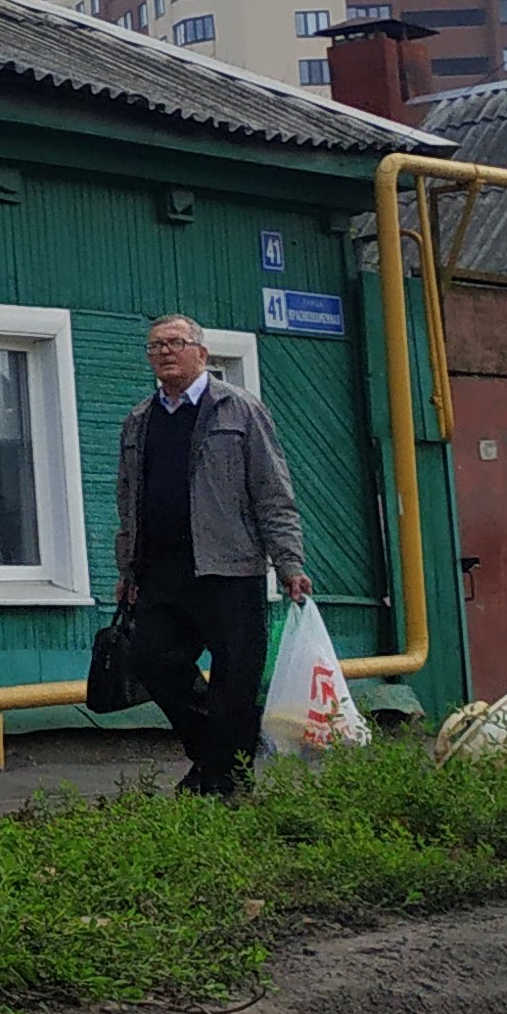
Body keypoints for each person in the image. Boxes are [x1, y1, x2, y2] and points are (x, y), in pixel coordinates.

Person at [113, 314, 310, 798]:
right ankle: (215, 759)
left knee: (235, 682)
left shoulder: (239, 410)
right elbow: (127, 498)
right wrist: (127, 568)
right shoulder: (140, 419)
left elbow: (272, 491)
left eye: (175, 343)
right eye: (155, 346)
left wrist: (290, 562)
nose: (163, 353)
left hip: (230, 568)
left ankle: (225, 782)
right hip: (160, 571)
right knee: (150, 659)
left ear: (201, 353)